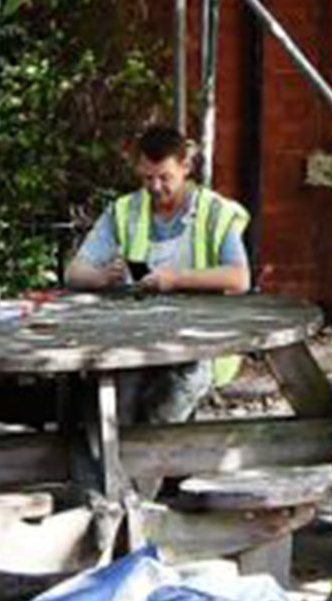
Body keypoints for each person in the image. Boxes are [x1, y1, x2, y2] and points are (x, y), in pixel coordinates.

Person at [65, 125, 250, 424]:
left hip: (198, 340)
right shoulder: (124, 211)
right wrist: (100, 277)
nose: (155, 187)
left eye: (165, 178)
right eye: (147, 178)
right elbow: (75, 272)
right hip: (133, 336)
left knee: (172, 399)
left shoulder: (215, 212)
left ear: (185, 167)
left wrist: (175, 280)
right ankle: (123, 462)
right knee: (116, 402)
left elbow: (239, 278)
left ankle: (155, 462)